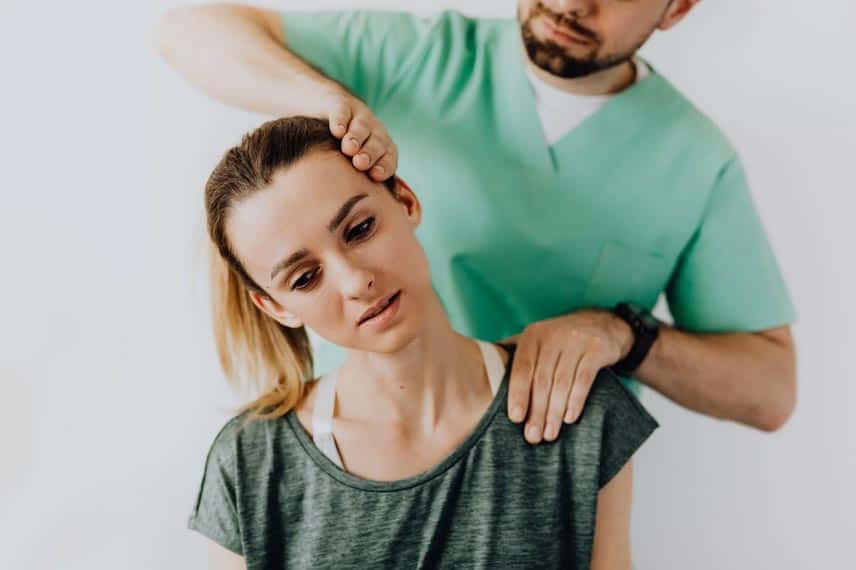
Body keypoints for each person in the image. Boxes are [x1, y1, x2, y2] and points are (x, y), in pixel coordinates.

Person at [155, 0, 797, 444]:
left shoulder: (696, 160)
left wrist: (623, 333)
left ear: (678, 8)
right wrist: (325, 102)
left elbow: (770, 391)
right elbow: (188, 28)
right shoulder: (418, 58)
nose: (570, 2)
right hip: (359, 451)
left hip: (538, 479)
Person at [190, 116, 658, 568]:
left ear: (406, 201)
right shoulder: (250, 463)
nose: (356, 281)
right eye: (306, 277)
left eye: (360, 230)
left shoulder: (577, 409)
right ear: (277, 307)